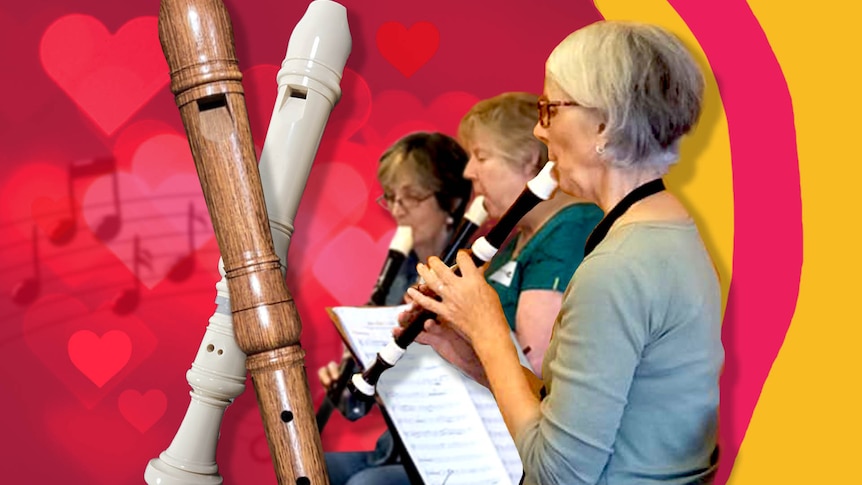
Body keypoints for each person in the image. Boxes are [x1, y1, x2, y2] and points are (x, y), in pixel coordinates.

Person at [404, 21, 724, 484]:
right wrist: (478, 357)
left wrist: (487, 324)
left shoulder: (617, 268)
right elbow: (582, 419)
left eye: (549, 109)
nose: (539, 129)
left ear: (605, 125)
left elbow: (560, 474)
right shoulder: (670, 233)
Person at [320, 131, 472, 485]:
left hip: (443, 455)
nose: (399, 210)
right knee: (308, 467)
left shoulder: (471, 273)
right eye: (391, 197)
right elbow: (362, 407)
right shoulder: (401, 273)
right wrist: (350, 387)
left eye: (412, 197)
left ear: (451, 202)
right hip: (395, 447)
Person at [455, 92, 602, 375]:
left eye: (481, 156)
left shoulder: (572, 230)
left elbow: (537, 366)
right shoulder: (518, 239)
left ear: (530, 160)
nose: (469, 172)